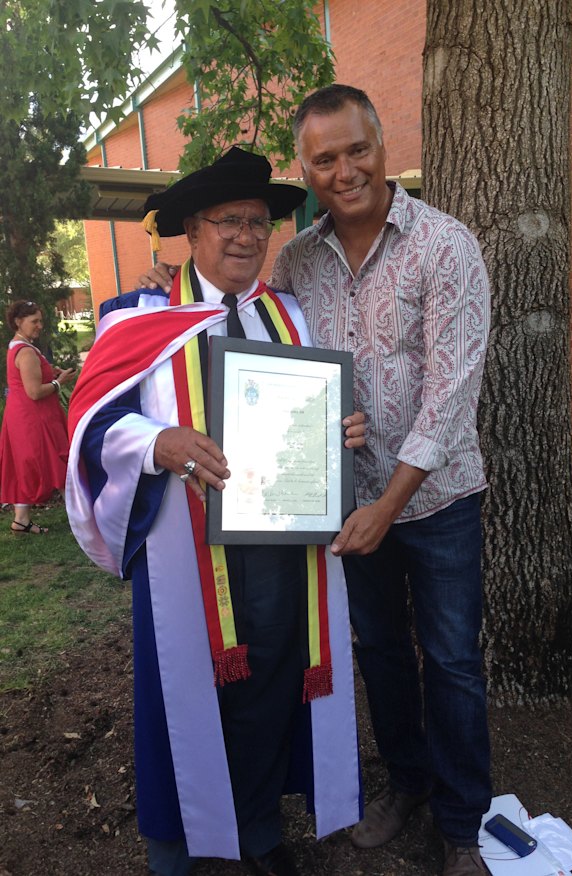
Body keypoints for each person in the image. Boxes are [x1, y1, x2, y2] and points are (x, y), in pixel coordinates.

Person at [139, 85, 492, 876]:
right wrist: (325, 435)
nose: (343, 170)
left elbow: (451, 396)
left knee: (452, 659)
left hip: (433, 502)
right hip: (337, 508)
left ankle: (462, 823)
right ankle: (406, 784)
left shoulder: (446, 245)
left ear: (380, 141)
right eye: (324, 159)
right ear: (308, 167)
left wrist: (386, 501)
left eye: (355, 150)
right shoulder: (296, 263)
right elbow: (282, 385)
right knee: (381, 655)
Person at [66, 147, 365, 876]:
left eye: (259, 223)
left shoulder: (288, 316)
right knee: (181, 700)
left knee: (268, 687)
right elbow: (91, 426)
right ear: (192, 231)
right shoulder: (133, 319)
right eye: (228, 220)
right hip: (184, 556)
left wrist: (340, 429)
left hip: (279, 550)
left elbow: (306, 417)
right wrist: (156, 439)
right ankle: (175, 847)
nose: (245, 236)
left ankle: (258, 829)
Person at [0, 300, 75, 533]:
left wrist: (52, 372)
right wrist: (58, 382)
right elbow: (34, 392)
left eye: (40, 320)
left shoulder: (20, 346)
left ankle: (21, 519)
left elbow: (30, 378)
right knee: (58, 459)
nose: (40, 325)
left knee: (26, 463)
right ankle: (81, 519)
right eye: (34, 321)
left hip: (22, 415)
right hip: (34, 417)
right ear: (18, 322)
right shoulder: (25, 351)